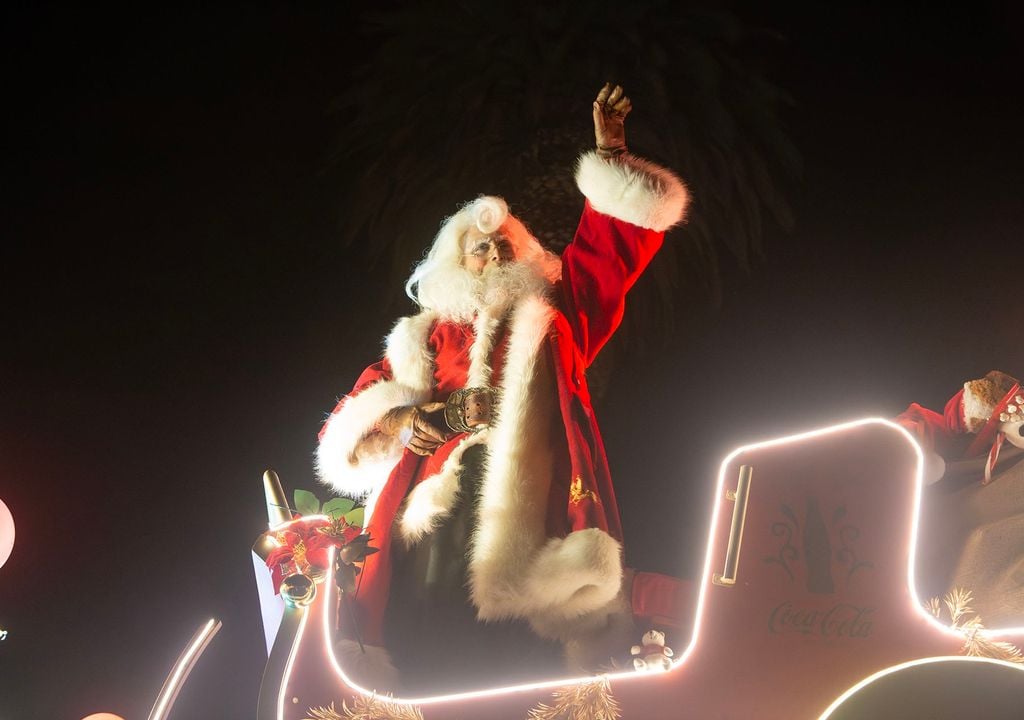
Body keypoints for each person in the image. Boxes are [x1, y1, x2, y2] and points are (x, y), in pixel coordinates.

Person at [316, 83, 690, 693]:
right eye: (477, 246)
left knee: (519, 652)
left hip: (531, 506)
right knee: (429, 628)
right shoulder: (424, 338)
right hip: (438, 500)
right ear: (456, 264)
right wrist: (418, 423)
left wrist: (613, 162)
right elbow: (360, 418)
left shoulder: (555, 317)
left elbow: (608, 261)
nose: (491, 250)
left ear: (522, 254)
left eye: (503, 242)